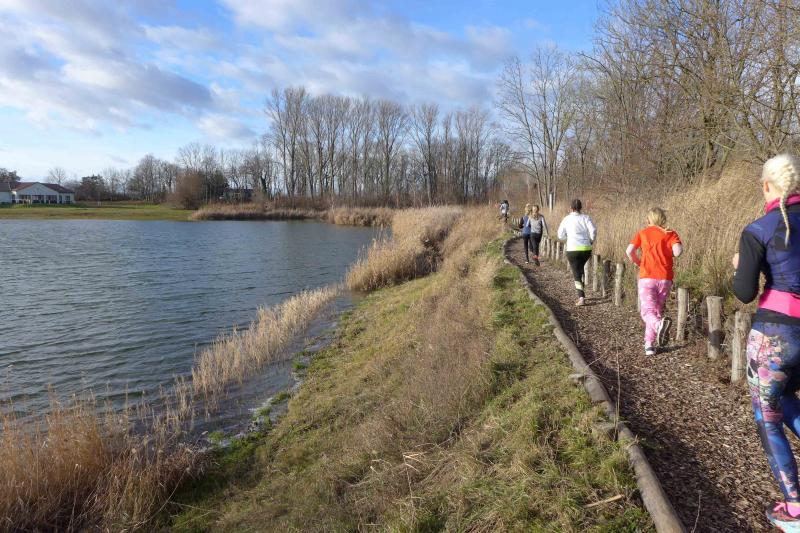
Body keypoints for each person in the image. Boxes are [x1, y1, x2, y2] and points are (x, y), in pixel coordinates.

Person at [732, 154, 800, 531]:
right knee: (786, 399)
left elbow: (744, 292)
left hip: (776, 335)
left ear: (766, 186)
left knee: (768, 415)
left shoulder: (759, 229)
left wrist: (740, 267)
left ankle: (794, 510)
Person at [625, 208, 683, 356]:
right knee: (655, 310)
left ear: (649, 219)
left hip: (647, 277)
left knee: (647, 312)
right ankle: (649, 345)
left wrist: (639, 262)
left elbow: (629, 251)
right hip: (665, 278)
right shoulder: (671, 233)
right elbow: (678, 252)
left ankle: (658, 326)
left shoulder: (642, 233)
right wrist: (667, 252)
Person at [557, 199, 597, 306]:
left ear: (571, 208)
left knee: (576, 273)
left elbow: (560, 235)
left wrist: (567, 238)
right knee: (580, 270)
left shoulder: (566, 219)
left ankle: (581, 297)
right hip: (585, 249)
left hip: (572, 249)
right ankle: (582, 293)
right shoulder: (586, 218)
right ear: (581, 207)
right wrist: (591, 240)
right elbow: (593, 230)